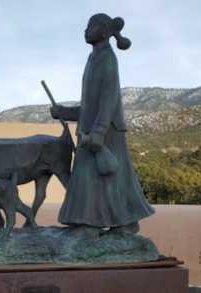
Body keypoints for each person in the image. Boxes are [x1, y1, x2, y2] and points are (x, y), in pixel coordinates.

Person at [50, 13, 154, 235]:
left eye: (90, 26)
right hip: (95, 129)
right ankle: (122, 223)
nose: (85, 30)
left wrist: (98, 132)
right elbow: (89, 106)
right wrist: (64, 112)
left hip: (105, 131)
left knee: (98, 175)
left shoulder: (107, 58)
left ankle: (92, 224)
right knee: (103, 177)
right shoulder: (93, 58)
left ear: (104, 31)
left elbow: (108, 99)